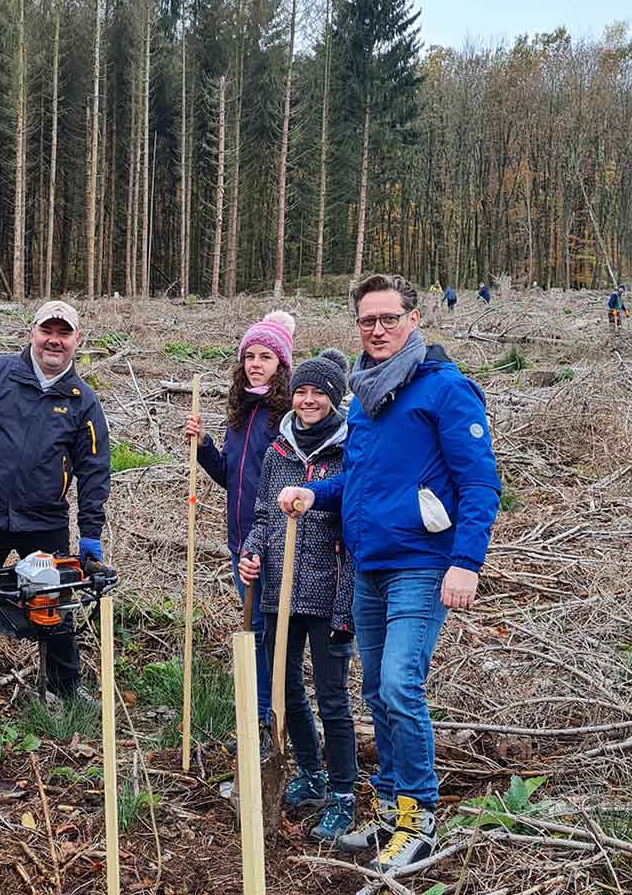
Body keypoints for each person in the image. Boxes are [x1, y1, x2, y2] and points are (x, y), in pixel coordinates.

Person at [278, 273, 500, 871]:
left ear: (415, 318)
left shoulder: (446, 391)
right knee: (376, 690)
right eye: (367, 320)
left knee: (402, 686)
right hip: (369, 567)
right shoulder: (366, 395)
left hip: (422, 566)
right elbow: (362, 480)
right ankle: (389, 813)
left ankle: (419, 821)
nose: (377, 330)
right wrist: (314, 494)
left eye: (388, 318)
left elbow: (480, 482)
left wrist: (465, 562)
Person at [0, 300, 110, 702]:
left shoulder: (83, 400)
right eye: (47, 331)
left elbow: (95, 469)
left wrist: (90, 534)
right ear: (32, 333)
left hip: (44, 521)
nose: (54, 341)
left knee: (55, 608)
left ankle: (66, 690)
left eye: (63, 334)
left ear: (77, 340)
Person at [239, 349, 357, 844]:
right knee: (284, 688)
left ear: (334, 399)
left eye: (319, 393)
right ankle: (308, 772)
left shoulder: (349, 453)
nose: (308, 400)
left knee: (332, 697)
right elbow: (264, 515)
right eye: (302, 391)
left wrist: (346, 605)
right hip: (279, 595)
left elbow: (354, 534)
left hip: (327, 594)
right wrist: (251, 553)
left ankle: (344, 793)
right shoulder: (277, 453)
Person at [184, 310, 296, 744]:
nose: (255, 363)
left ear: (281, 364)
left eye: (265, 356)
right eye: (250, 355)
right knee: (254, 633)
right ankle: (258, 720)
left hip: (274, 543)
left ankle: (274, 722)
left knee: (271, 634)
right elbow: (229, 475)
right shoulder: (241, 413)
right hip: (240, 543)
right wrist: (204, 447)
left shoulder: (285, 418)